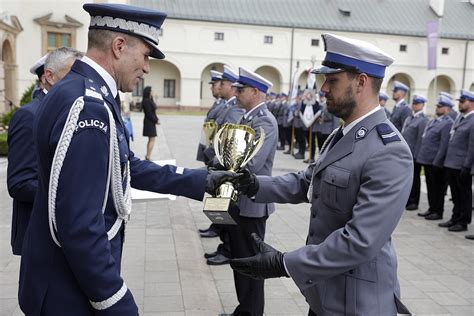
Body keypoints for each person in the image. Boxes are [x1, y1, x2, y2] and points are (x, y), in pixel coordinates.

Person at [18, 4, 235, 315]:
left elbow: (123, 165)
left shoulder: (80, 91)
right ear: (119, 46)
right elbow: (79, 224)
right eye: (145, 55)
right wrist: (114, 299)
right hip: (66, 288)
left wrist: (199, 180)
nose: (146, 67)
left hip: (57, 276)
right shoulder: (88, 105)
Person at [228, 33, 413, 316]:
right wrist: (253, 185)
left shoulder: (388, 151)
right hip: (325, 293)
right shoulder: (343, 134)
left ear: (361, 82)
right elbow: (307, 182)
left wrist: (283, 263)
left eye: (332, 80)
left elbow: (361, 240)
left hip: (357, 301)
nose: (323, 88)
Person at [7, 48, 83, 256]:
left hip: (67, 231)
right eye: (73, 73)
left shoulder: (71, 110)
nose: (82, 80)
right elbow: (20, 183)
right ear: (48, 76)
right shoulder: (29, 115)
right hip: (39, 235)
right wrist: (72, 195)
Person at [216, 67, 278, 316]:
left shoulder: (265, 121)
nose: (236, 93)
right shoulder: (248, 118)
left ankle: (251, 312)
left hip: (252, 204)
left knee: (251, 263)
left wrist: (225, 159)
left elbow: (251, 163)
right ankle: (244, 310)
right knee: (240, 261)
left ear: (255, 92)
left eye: (241, 90)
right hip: (240, 200)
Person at [438, 90, 473, 232]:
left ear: (471, 103)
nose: (459, 104)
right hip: (452, 163)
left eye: (462, 101)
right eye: (459, 101)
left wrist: (467, 166)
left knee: (464, 194)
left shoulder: (472, 120)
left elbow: (472, 146)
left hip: (462, 165)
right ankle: (455, 217)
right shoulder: (461, 118)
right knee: (455, 194)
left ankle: (463, 221)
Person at [416, 95, 454, 221]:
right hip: (427, 160)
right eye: (437, 106)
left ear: (447, 109)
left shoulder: (447, 123)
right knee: (431, 187)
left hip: (435, 162)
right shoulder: (434, 121)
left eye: (440, 106)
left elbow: (443, 145)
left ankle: (438, 211)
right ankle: (432, 208)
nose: (437, 108)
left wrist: (437, 162)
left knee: (438, 188)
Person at [402, 94, 429, 211]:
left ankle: (414, 201)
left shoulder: (423, 120)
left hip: (414, 155)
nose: (414, 105)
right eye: (413, 103)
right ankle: (407, 199)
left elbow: (420, 140)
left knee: (415, 180)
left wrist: (417, 156)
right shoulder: (409, 118)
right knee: (407, 179)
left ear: (422, 105)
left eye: (417, 103)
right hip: (405, 154)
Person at [196, 70, 225, 162]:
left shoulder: (224, 105)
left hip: (213, 152)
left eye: (214, 85)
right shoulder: (218, 103)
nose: (211, 88)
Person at [142, 86, 159, 160]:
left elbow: (153, 110)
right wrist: (156, 120)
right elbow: (149, 113)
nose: (152, 92)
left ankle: (148, 155)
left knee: (151, 139)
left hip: (151, 122)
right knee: (152, 139)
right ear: (148, 92)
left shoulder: (149, 100)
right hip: (149, 122)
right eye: (151, 91)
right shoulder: (146, 101)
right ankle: (148, 156)